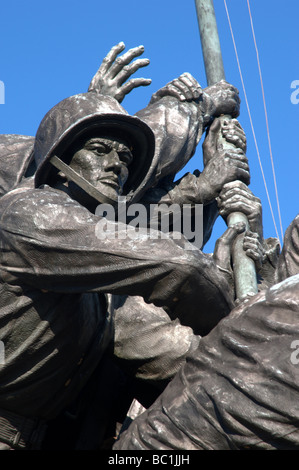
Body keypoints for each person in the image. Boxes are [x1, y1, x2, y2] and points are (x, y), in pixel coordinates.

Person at [0, 43, 262, 450]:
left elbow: (139, 232)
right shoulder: (36, 214)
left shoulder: (92, 242)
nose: (117, 165)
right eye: (100, 150)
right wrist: (250, 326)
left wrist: (206, 189)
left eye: (124, 156)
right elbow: (177, 266)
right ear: (58, 164)